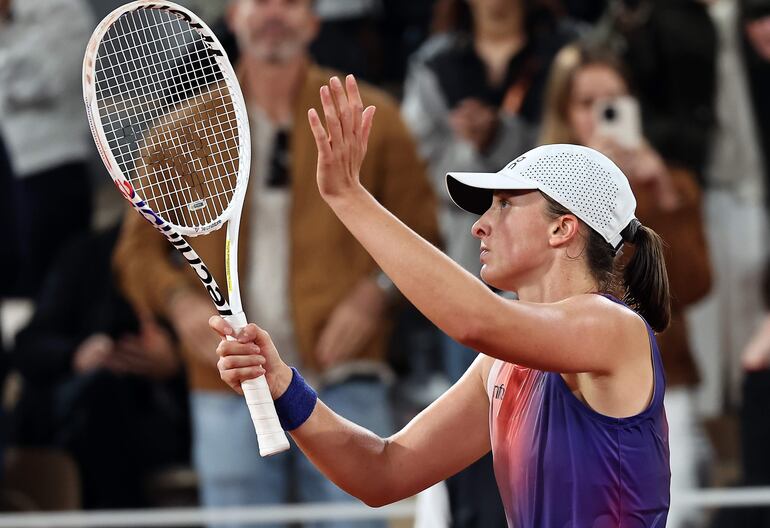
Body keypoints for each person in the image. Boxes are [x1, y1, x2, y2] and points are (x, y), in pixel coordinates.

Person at [211, 76, 672, 527]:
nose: (479, 225)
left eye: (505, 204)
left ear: (562, 228)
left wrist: (349, 197)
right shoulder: (500, 363)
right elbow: (382, 473)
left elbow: (475, 319)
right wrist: (282, 385)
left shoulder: (614, 328)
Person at [112, 1, 440, 526]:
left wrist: (376, 293)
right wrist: (179, 305)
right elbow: (136, 251)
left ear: (313, 21)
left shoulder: (365, 114)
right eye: (257, 1)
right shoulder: (181, 131)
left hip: (344, 372)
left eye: (289, 2)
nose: (273, 14)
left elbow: (424, 232)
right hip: (229, 375)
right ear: (234, 17)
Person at [538, 41, 712, 527]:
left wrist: (663, 200)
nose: (602, 114)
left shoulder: (671, 185)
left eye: (613, 100)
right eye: (587, 103)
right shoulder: (532, 197)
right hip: (562, 390)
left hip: (661, 380)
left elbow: (695, 287)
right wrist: (583, 191)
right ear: (564, 113)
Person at [11, 222, 188, 509]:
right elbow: (29, 346)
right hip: (84, 417)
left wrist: (173, 365)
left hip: (169, 419)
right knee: (100, 394)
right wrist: (76, 355)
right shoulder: (86, 255)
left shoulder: (197, 256)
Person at [0, 0, 95, 297]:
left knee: (60, 284)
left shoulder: (62, 9)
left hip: (53, 168)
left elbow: (45, 81)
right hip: (9, 170)